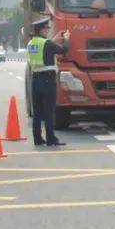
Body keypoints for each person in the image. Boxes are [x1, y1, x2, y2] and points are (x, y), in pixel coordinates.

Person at [26, 17, 70, 147]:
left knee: (37, 112)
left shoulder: (32, 43)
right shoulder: (47, 44)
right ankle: (51, 139)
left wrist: (53, 39)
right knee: (49, 111)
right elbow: (64, 50)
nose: (48, 30)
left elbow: (46, 47)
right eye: (47, 28)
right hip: (48, 81)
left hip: (35, 80)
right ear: (42, 29)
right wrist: (66, 38)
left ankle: (38, 139)